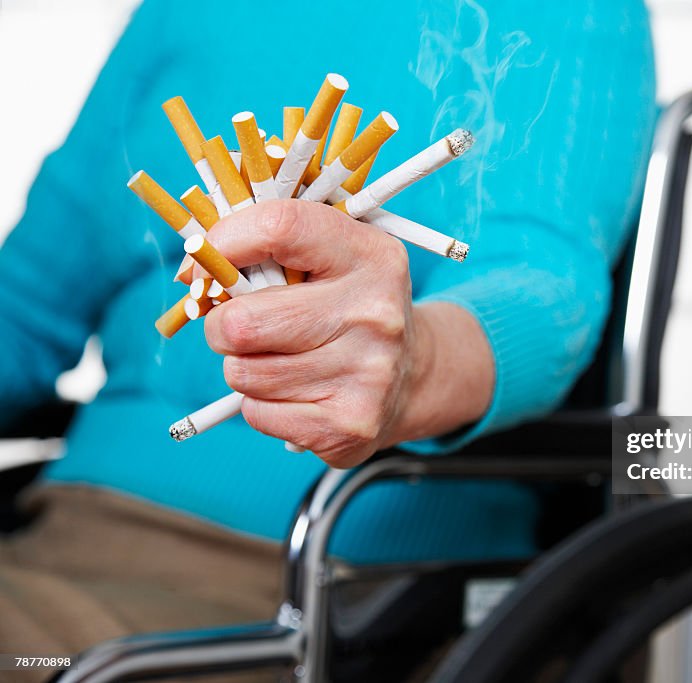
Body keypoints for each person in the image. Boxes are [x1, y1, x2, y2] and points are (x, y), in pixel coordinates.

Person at [0, 0, 656, 677]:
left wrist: (414, 362)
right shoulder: (176, 11)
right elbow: (21, 306)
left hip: (320, 591)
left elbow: (545, 287)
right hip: (55, 534)